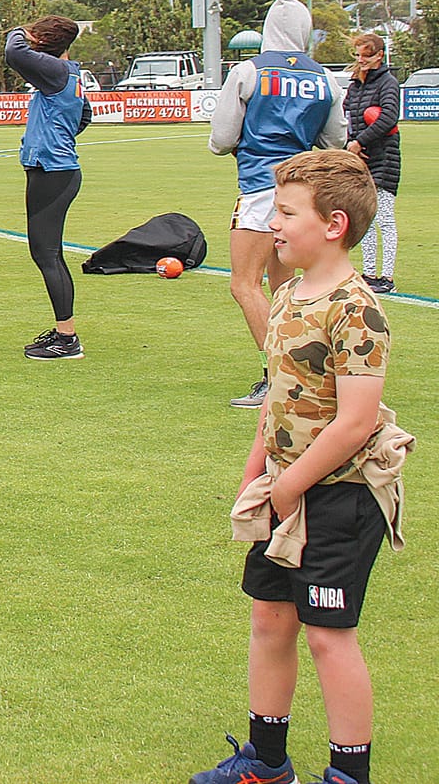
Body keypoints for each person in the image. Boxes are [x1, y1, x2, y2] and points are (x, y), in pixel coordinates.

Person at [191, 151, 405, 784]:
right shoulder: (286, 294)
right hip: (285, 488)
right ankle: (266, 760)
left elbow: (356, 422)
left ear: (334, 225)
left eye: (287, 214)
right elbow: (278, 396)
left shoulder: (356, 309)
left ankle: (348, 773)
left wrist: (290, 483)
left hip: (341, 495)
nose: (273, 224)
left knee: (328, 634)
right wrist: (257, 472)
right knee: (270, 617)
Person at [210, 0, 347, 408]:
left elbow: (221, 139)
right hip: (303, 191)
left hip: (259, 188)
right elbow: (336, 140)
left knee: (244, 284)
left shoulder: (248, 71)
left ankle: (280, 376)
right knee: (285, 285)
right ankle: (310, 371)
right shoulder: (325, 78)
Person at [4, 16, 91, 361]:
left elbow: (14, 52)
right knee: (48, 253)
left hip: (52, 172)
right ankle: (64, 333)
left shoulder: (56, 71)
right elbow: (84, 116)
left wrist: (20, 32)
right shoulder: (69, 73)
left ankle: (67, 339)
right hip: (55, 169)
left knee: (47, 254)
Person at [341, 33, 401, 295]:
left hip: (384, 158)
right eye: (358, 55)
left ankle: (387, 276)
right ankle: (368, 273)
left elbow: (388, 117)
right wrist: (350, 144)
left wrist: (360, 142)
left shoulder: (388, 83)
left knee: (384, 218)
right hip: (360, 159)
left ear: (379, 55)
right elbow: (347, 117)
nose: (361, 60)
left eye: (366, 55)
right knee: (364, 216)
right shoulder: (355, 85)